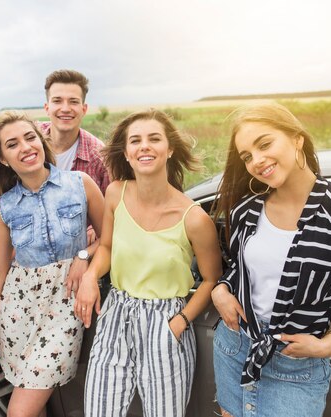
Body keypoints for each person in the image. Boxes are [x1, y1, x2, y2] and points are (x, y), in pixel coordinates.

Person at [210, 102, 331, 417]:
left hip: (298, 366)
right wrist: (220, 289)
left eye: (264, 144)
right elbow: (240, 270)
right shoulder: (245, 212)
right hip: (235, 347)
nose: (257, 161)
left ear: (297, 138)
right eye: (247, 156)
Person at [0, 69, 110, 374]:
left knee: (16, 251)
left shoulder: (95, 154)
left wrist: (87, 252)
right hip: (26, 227)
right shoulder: (28, 135)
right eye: (57, 101)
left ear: (84, 108)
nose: (64, 108)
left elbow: (112, 209)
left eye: (73, 102)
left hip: (79, 234)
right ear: (47, 107)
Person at [75, 109, 222, 417]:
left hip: (166, 321)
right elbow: (107, 246)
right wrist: (90, 277)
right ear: (127, 153)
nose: (144, 146)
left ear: (169, 149)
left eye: (154, 139)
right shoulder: (115, 193)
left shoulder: (194, 218)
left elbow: (211, 280)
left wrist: (179, 322)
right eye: (135, 140)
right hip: (116, 314)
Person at [0, 111, 104, 417]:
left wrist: (83, 257)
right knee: (37, 406)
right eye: (12, 144)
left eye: (30, 137)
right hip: (17, 311)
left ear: (42, 142)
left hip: (64, 306)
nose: (25, 147)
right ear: (4, 159)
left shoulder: (80, 184)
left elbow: (113, 238)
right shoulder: (5, 206)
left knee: (19, 411)